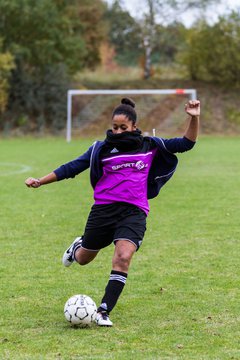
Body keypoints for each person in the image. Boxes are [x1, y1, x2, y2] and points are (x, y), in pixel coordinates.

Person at [25, 97, 200, 327]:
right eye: (114, 127)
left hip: (134, 212)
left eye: (123, 128)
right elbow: (72, 167)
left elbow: (187, 143)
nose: (117, 132)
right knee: (84, 259)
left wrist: (193, 118)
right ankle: (77, 246)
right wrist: (40, 181)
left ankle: (103, 311)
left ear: (134, 127)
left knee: (123, 257)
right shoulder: (102, 148)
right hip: (104, 211)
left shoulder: (150, 145)